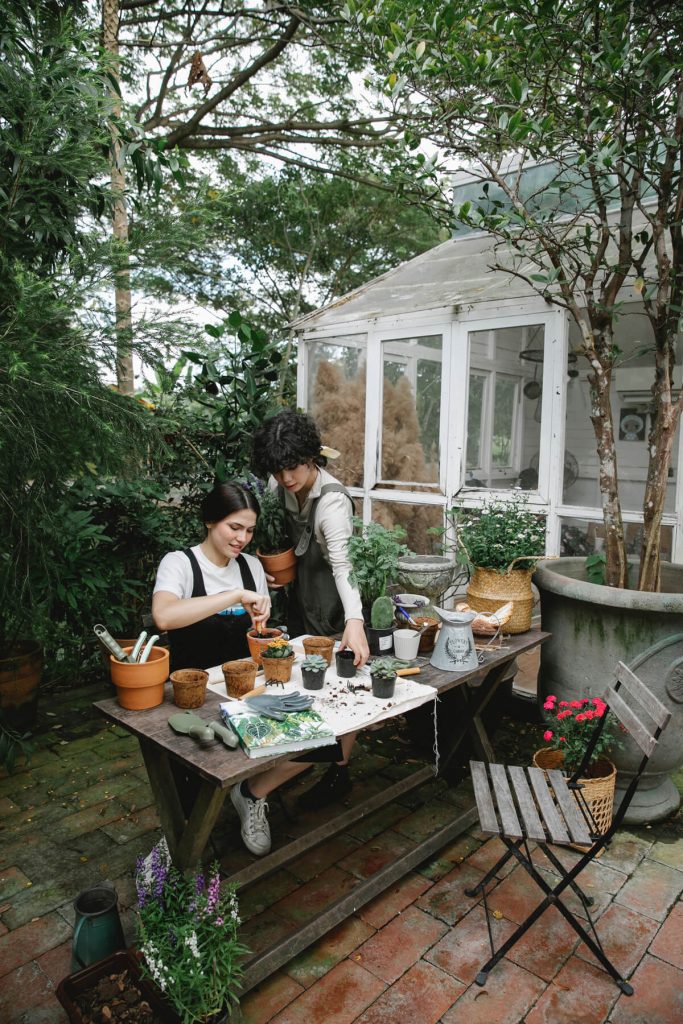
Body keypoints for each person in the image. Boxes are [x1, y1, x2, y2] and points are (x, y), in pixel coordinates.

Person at [250, 408, 369, 813]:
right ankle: (304, 764)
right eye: (278, 469)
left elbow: (344, 567)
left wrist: (355, 622)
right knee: (297, 682)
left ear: (312, 456)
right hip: (301, 595)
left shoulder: (333, 504)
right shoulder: (277, 482)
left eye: (293, 467)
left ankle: (335, 768)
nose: (285, 479)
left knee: (339, 686)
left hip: (337, 601)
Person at [152, 482, 271, 670]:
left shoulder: (252, 566)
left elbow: (259, 632)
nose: (243, 538)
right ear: (209, 521)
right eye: (234, 527)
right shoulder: (179, 563)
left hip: (245, 681)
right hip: (193, 688)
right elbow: (163, 617)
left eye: (249, 530)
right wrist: (236, 595)